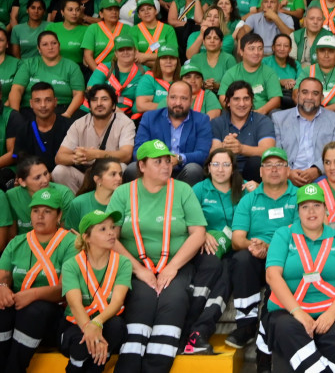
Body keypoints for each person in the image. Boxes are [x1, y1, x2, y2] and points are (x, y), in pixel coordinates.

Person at [106, 139, 207, 372]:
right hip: (134, 266)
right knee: (143, 300)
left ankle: (157, 367)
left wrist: (172, 267)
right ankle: (129, 366)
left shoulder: (182, 190)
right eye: (157, 161)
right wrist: (138, 270)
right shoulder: (123, 193)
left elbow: (198, 233)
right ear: (141, 166)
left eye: (167, 161)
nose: (165, 166)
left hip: (176, 264)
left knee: (174, 301)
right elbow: (110, 238)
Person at [262, 183, 335, 372]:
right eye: (305, 206)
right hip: (289, 310)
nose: (311, 211)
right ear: (298, 211)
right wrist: (298, 312)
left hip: (331, 308)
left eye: (317, 205)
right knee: (285, 329)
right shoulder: (284, 234)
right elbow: (272, 275)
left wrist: (331, 314)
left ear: (326, 209)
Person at [226, 147, 297, 367]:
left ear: (288, 171)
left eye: (279, 165)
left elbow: (302, 233)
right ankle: (246, 325)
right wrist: (254, 245)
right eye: (268, 166)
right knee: (241, 259)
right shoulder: (249, 199)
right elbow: (237, 238)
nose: (274, 170)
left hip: (288, 255)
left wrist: (272, 247)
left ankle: (265, 350)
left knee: (281, 271)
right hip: (256, 254)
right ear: (260, 172)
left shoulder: (298, 196)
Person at [0, 187, 77, 372]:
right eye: (36, 211)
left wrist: (33, 294)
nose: (40, 216)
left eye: (47, 211)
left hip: (53, 316)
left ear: (59, 215)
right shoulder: (17, 242)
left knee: (34, 310)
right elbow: (4, 276)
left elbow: (65, 288)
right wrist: (2, 287)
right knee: (2, 307)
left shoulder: (71, 243)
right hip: (19, 307)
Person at [181, 148, 245, 355]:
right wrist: (203, 232)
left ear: (233, 168)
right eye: (215, 164)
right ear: (208, 167)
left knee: (227, 275)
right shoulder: (199, 189)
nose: (220, 169)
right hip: (206, 249)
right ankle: (186, 330)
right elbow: (184, 220)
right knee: (214, 265)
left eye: (226, 164)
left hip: (233, 250)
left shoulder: (243, 190)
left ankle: (198, 334)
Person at [59, 209, 131, 372]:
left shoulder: (123, 263)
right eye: (103, 229)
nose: (111, 233)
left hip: (106, 322)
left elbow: (118, 301)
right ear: (87, 238)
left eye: (112, 227)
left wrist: (97, 323)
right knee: (82, 342)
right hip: (76, 323)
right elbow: (75, 304)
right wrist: (89, 329)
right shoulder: (71, 265)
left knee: (116, 326)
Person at [126, 81, 212, 186]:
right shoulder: (149, 118)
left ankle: (185, 202)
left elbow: (203, 154)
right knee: (132, 169)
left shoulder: (202, 120)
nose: (178, 103)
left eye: (183, 98)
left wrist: (179, 158)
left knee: (194, 169)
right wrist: (160, 161)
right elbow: (138, 150)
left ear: (191, 101)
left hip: (183, 170)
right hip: (154, 171)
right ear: (167, 99)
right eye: (173, 97)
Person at [53, 85, 135, 192]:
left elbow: (126, 155)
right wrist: (77, 158)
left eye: (104, 99)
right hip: (84, 176)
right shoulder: (79, 124)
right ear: (90, 105)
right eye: (94, 100)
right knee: (59, 171)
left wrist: (96, 154)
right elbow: (59, 157)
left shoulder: (125, 123)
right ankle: (76, 206)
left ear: (113, 104)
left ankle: (112, 206)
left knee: (122, 168)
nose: (99, 103)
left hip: (110, 176)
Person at [273, 78, 335, 187]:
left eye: (315, 93)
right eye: (305, 92)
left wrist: (317, 170)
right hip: (287, 176)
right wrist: (288, 172)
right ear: (297, 95)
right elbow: (276, 152)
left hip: (321, 177)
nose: (309, 97)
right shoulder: (279, 118)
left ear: (321, 98)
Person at [8, 31, 84, 120]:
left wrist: (67, 114)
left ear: (59, 45)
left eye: (54, 43)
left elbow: (78, 94)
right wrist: (15, 116)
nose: (50, 47)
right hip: (30, 110)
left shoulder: (72, 66)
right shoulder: (29, 64)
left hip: (62, 110)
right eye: (45, 44)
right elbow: (16, 90)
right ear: (39, 48)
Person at [210, 80, 276, 182]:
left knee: (256, 162)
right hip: (224, 170)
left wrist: (241, 149)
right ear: (227, 102)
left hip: (253, 174)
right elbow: (212, 152)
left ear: (252, 101)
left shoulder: (262, 121)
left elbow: (268, 151)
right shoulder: (218, 122)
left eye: (246, 99)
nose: (242, 104)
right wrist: (225, 146)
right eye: (236, 99)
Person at [5, 156, 74, 236]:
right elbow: (11, 237)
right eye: (37, 177)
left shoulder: (64, 194)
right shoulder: (11, 196)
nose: (45, 180)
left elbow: (66, 235)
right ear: (22, 182)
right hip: (25, 245)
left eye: (46, 173)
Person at [217, 33, 283, 115]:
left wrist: (260, 111)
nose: (256, 52)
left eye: (260, 49)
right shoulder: (231, 73)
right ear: (241, 52)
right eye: (251, 49)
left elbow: (276, 99)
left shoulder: (269, 73)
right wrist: (237, 111)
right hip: (235, 114)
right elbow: (223, 97)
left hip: (262, 116)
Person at [12, 83, 72, 171]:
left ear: (55, 102)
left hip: (62, 177)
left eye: (48, 100)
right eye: (37, 101)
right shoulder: (24, 129)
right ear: (31, 103)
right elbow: (21, 162)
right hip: (35, 179)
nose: (43, 105)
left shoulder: (70, 126)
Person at [293, 35, 335, 114]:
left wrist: (332, 108)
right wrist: (313, 110)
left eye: (331, 51)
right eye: (322, 51)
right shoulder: (307, 71)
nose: (326, 55)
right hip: (310, 113)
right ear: (317, 53)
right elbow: (296, 95)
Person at [64, 157, 123, 231]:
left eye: (120, 174)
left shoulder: (125, 201)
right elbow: (70, 234)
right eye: (113, 174)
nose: (119, 178)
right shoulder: (78, 203)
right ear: (98, 179)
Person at [130, 0, 178, 68]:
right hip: (142, 69)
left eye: (149, 9)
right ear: (139, 15)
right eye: (142, 10)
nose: (146, 12)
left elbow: (172, 53)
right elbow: (136, 56)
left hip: (166, 69)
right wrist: (161, 59)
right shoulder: (133, 30)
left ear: (156, 11)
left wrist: (145, 57)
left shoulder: (168, 29)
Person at [188, 27, 237, 96]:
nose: (212, 41)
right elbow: (189, 81)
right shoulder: (195, 58)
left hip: (224, 97)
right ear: (204, 42)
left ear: (221, 43)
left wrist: (218, 86)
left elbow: (236, 84)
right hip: (199, 96)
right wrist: (202, 84)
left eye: (216, 38)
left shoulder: (229, 59)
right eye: (208, 38)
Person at [81, 0, 124, 72]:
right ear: (101, 14)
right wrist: (98, 73)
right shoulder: (93, 28)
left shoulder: (127, 28)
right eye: (109, 9)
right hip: (97, 69)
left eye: (116, 9)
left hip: (121, 70)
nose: (114, 12)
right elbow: (88, 55)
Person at [134, 45, 180, 113]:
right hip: (151, 119)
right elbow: (141, 106)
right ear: (158, 61)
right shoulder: (148, 78)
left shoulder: (182, 79)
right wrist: (171, 107)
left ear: (177, 62)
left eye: (172, 58)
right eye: (164, 58)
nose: (168, 61)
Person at [47, 0, 87, 67]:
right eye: (70, 10)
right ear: (62, 12)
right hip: (52, 66)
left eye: (77, 10)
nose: (74, 13)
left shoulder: (87, 30)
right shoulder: (51, 27)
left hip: (77, 68)